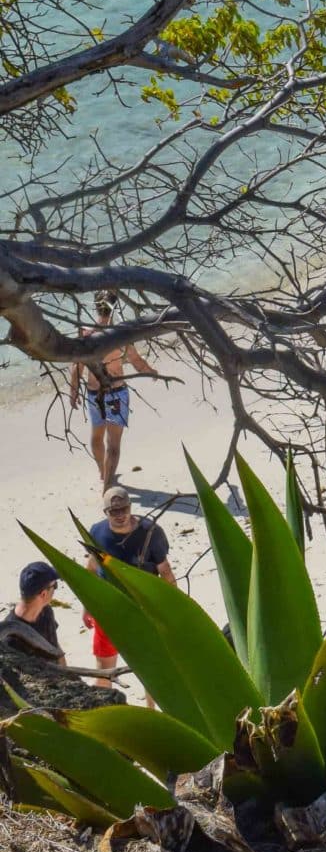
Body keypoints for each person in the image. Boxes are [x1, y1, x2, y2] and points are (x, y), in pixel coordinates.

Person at [83, 484, 174, 691]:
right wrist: (87, 605)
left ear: (130, 507)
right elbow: (91, 568)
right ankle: (106, 709)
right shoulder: (96, 532)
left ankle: (152, 710)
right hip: (108, 607)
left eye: (124, 509)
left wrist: (172, 609)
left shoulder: (151, 532)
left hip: (143, 608)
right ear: (106, 512)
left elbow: (165, 572)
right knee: (104, 669)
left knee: (152, 668)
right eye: (114, 511)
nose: (120, 515)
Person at [68, 294, 152, 492]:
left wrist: (73, 392)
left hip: (93, 393)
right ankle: (107, 485)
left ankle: (103, 473)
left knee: (97, 435)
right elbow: (136, 361)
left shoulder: (86, 334)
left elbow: (77, 367)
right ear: (115, 307)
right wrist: (153, 372)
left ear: (96, 307)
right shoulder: (120, 335)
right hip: (116, 393)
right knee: (113, 444)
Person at [1, 562, 66, 667]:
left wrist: (68, 674)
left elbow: (55, 646)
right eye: (55, 586)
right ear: (43, 594)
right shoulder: (10, 638)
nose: (55, 590)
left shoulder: (46, 611)